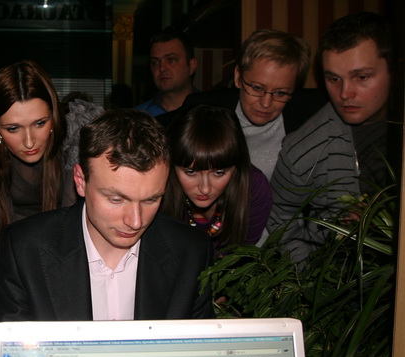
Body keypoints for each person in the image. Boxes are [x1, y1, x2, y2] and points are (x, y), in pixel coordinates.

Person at [0, 109, 215, 357]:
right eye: (116, 198)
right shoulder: (25, 248)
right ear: (80, 180)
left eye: (151, 199)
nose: (135, 220)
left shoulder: (191, 252)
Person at [267, 12, 394, 264]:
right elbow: (279, 220)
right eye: (334, 79)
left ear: (394, 71)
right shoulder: (303, 149)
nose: (345, 93)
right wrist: (314, 278)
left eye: (362, 77)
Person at [0, 60, 101, 254]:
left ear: (54, 117)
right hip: (14, 246)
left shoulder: (73, 139)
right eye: (13, 128)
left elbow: (68, 229)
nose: (29, 142)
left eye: (40, 123)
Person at [165, 29, 328, 181]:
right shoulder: (202, 108)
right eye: (257, 88)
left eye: (280, 93)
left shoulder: (313, 111)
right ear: (238, 77)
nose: (266, 103)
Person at [161, 105, 272, 251]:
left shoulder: (254, 189)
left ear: (236, 167)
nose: (205, 188)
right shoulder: (158, 190)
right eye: (191, 172)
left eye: (219, 173)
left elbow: (241, 253)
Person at [136, 27, 198, 116]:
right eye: (155, 62)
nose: (162, 68)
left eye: (171, 60)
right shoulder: (139, 117)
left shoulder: (212, 114)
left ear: (191, 66)